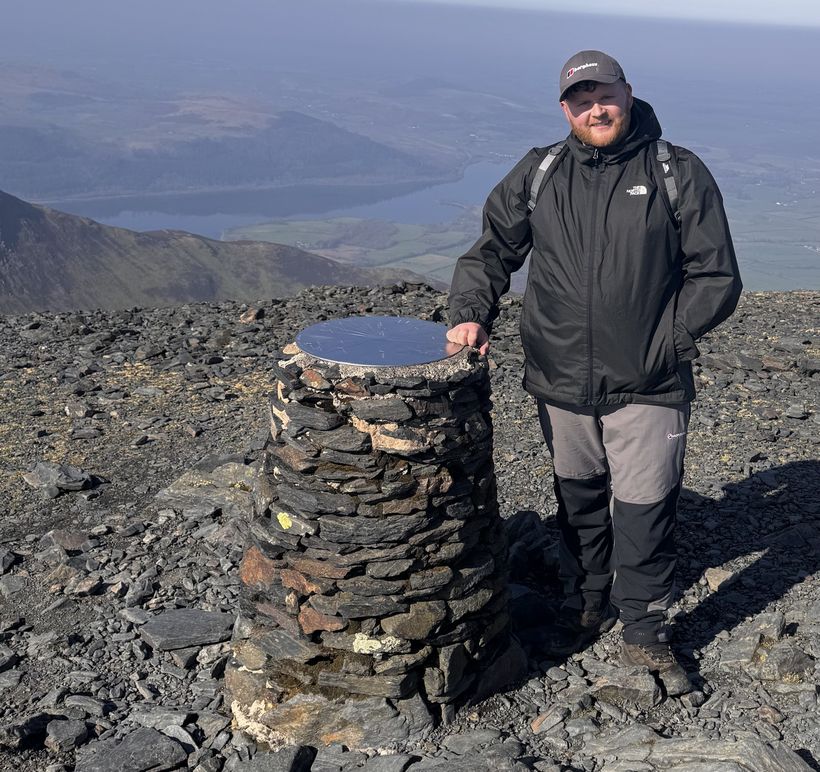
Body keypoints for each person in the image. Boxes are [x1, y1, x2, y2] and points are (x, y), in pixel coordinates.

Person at [447, 50, 742, 696]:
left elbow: (717, 275)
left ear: (628, 94)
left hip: (649, 382)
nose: (596, 109)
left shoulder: (674, 171)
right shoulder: (541, 172)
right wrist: (470, 314)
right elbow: (492, 250)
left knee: (644, 508)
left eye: (605, 95)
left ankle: (645, 632)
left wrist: (667, 341)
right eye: (581, 101)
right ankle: (585, 603)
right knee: (579, 499)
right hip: (559, 379)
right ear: (566, 110)